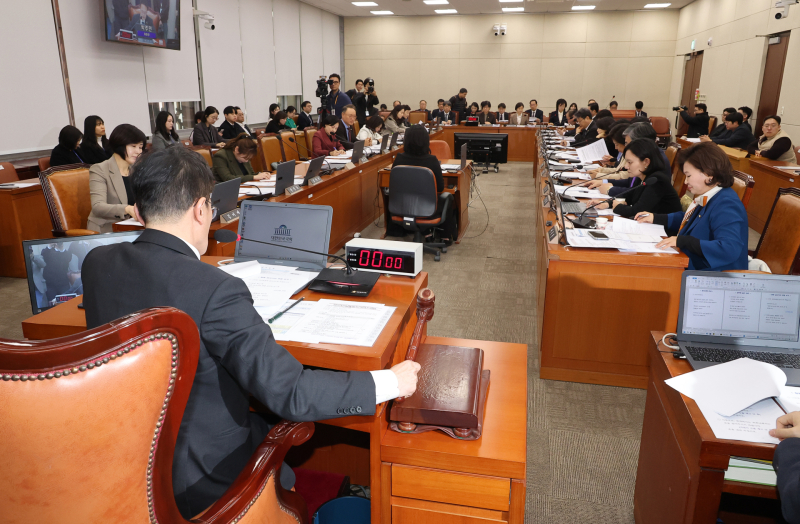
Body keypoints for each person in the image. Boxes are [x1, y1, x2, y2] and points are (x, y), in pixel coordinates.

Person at [81, 145, 420, 518]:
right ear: (201, 209)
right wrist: (389, 381)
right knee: (274, 421)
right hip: (200, 479)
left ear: (139, 211)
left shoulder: (97, 264)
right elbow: (291, 393)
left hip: (124, 460)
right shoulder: (214, 289)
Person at [635, 141, 748, 270]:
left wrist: (683, 241)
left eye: (688, 175)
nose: (686, 181)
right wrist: (656, 218)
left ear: (709, 173)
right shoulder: (711, 195)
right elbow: (692, 220)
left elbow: (729, 248)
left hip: (713, 275)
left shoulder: (726, 204)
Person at [391, 125, 457, 242]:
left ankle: (426, 233)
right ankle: (445, 236)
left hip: (402, 206)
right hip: (428, 208)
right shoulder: (431, 160)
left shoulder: (399, 159)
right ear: (426, 141)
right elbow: (440, 188)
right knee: (448, 198)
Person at [587, 138, 682, 218]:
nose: (626, 166)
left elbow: (638, 211)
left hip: (663, 231)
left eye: (630, 162)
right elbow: (629, 196)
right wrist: (606, 203)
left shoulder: (657, 180)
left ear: (646, 162)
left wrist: (618, 207)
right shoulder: (642, 175)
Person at [87, 124, 146, 233]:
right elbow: (97, 206)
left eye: (140, 147)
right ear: (119, 145)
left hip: (132, 228)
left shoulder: (136, 170)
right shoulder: (99, 169)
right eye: (133, 146)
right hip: (106, 229)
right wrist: (127, 209)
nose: (138, 151)